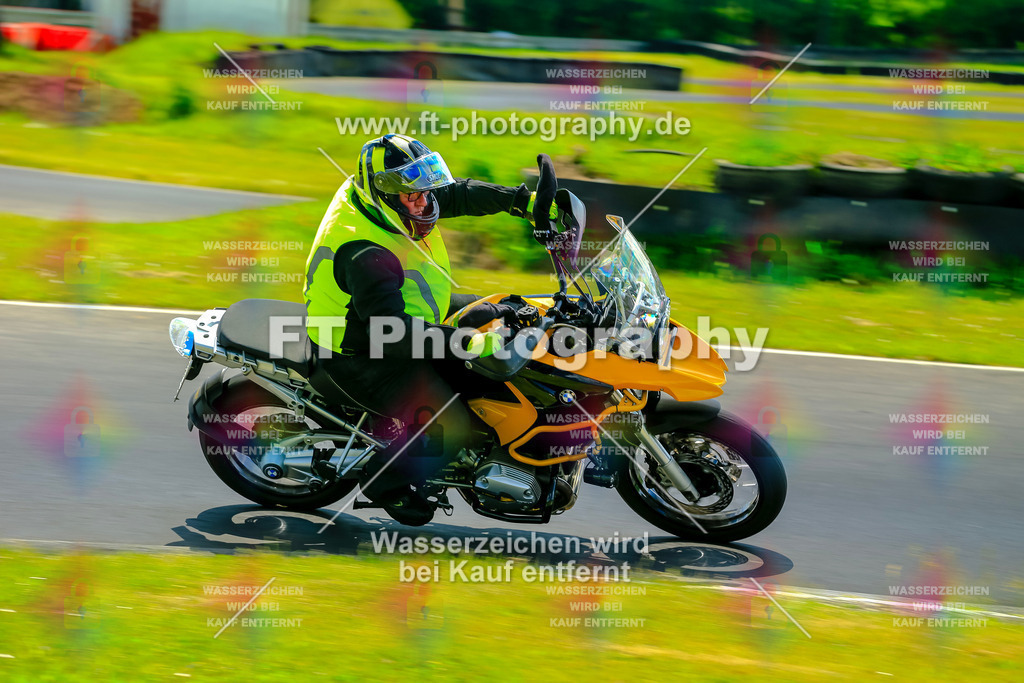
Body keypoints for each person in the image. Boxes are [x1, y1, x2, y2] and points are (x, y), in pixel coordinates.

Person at [302, 134, 552, 526]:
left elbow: (455, 195)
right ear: (387, 196)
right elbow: (394, 334)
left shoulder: (387, 201)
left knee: (497, 307)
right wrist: (467, 342)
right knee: (449, 423)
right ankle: (387, 485)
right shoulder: (364, 251)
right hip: (361, 350)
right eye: (413, 195)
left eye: (424, 190)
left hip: (401, 310)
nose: (425, 201)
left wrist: (523, 201)